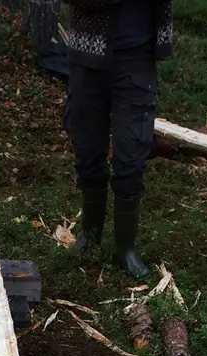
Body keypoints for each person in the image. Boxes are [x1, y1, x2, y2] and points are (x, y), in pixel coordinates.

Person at [62, 0, 173, 278]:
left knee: (132, 151)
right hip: (88, 57)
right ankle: (90, 234)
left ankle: (125, 249)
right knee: (87, 148)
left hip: (137, 58)